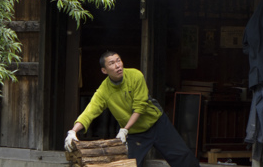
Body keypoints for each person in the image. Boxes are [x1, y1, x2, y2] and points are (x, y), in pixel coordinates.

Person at [64, 51, 199, 167]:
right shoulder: (103, 91)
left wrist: (124, 129)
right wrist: (73, 131)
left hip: (157, 123)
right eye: (111, 63)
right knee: (130, 164)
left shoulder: (136, 76)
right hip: (135, 133)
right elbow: (89, 111)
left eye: (119, 61)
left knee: (183, 157)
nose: (117, 65)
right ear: (104, 70)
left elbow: (140, 106)